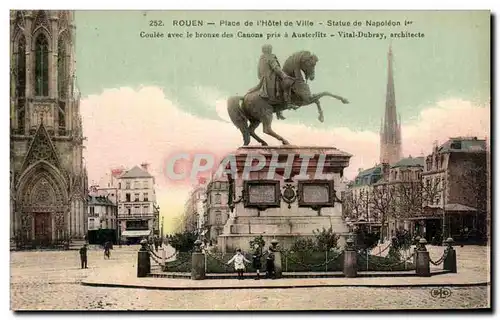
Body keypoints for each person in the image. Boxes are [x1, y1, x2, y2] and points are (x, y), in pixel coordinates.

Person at [248, 44, 292, 120]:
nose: (271, 49)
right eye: (270, 48)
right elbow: (276, 68)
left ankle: (279, 112)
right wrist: (284, 76)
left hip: (263, 80)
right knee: (286, 83)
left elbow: (258, 73)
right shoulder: (270, 57)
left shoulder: (261, 58)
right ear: (269, 50)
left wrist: (263, 77)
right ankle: (288, 104)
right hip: (272, 79)